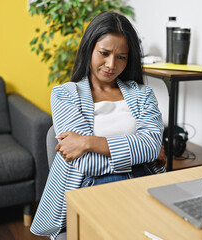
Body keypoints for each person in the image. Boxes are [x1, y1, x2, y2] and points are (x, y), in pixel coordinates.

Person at [30, 11, 166, 239]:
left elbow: (151, 146)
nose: (112, 64)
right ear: (89, 48)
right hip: (94, 187)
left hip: (144, 182)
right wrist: (139, 153)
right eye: (104, 53)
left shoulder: (143, 94)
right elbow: (84, 163)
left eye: (122, 57)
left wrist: (88, 142)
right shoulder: (65, 94)